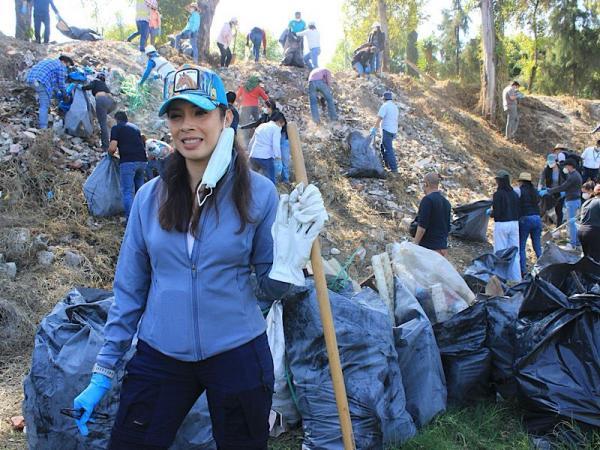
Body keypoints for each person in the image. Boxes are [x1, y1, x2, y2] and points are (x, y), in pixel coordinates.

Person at [71, 66, 327, 449]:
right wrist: (102, 372)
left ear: (225, 117)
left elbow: (270, 288)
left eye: (200, 113)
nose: (187, 126)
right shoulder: (148, 198)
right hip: (161, 352)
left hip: (237, 350)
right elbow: (129, 291)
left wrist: (289, 262)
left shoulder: (259, 194)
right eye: (177, 115)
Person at [108, 111, 148, 219]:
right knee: (140, 191)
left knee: (127, 192)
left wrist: (108, 156)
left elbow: (112, 148)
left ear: (116, 119)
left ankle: (131, 220)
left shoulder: (116, 128)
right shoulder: (135, 128)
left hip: (128, 162)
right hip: (142, 161)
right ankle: (143, 217)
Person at [542, 158, 583, 251]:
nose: (565, 168)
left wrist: (549, 190)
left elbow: (563, 187)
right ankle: (576, 242)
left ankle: (573, 244)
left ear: (570, 166)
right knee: (574, 223)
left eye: (566, 166)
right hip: (575, 200)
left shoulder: (573, 176)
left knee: (571, 223)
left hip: (572, 201)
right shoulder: (575, 175)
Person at [490, 170, 521, 282]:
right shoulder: (514, 194)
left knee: (500, 252)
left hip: (502, 224)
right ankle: (516, 279)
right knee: (514, 252)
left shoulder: (498, 194)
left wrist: (491, 213)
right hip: (514, 224)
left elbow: (497, 212)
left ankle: (499, 279)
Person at [26, 54, 74, 129]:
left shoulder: (49, 61)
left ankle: (42, 117)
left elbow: (54, 83)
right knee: (44, 106)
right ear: (65, 62)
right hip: (41, 81)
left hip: (30, 80)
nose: (67, 67)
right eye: (67, 65)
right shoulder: (61, 66)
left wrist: (56, 91)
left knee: (45, 96)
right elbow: (61, 84)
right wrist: (65, 95)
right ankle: (43, 128)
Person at [414, 173, 451, 257]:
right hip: (442, 250)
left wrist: (415, 244)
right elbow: (448, 228)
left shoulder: (427, 200)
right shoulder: (446, 202)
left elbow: (422, 227)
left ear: (426, 184)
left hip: (429, 250)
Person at [248, 111, 286, 184]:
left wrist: (249, 153)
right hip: (265, 158)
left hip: (253, 155)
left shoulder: (261, 126)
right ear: (279, 122)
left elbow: (252, 142)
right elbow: (276, 145)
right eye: (282, 125)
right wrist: (278, 158)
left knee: (251, 180)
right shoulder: (276, 128)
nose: (281, 128)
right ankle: (271, 194)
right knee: (270, 181)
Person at [516, 172, 542, 275]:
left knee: (521, 246)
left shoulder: (520, 191)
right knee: (537, 245)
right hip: (537, 218)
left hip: (525, 219)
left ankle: (523, 271)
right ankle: (543, 267)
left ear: (521, 181)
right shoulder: (535, 191)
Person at [83, 73, 116, 152]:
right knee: (104, 122)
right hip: (111, 102)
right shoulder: (104, 86)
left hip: (101, 100)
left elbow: (89, 87)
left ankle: (105, 147)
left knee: (103, 124)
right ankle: (110, 143)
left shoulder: (95, 81)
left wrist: (81, 87)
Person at [371, 91, 399, 173]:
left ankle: (394, 169)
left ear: (384, 98)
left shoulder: (385, 106)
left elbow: (379, 118)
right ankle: (387, 165)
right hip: (393, 131)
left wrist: (374, 128)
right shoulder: (395, 106)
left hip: (386, 130)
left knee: (388, 149)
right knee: (382, 147)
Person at [236, 75, 270, 144]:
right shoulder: (258, 88)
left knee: (244, 123)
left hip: (244, 107)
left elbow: (236, 96)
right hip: (255, 107)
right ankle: (259, 138)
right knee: (258, 122)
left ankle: (244, 141)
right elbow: (266, 98)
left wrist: (240, 102)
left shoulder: (243, 87)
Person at [538, 153, 566, 226]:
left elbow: (567, 180)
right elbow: (541, 179)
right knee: (545, 208)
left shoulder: (562, 170)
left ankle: (558, 226)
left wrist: (565, 190)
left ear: (556, 162)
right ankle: (546, 223)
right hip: (549, 191)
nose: (550, 164)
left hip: (560, 192)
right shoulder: (547, 169)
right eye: (549, 162)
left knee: (558, 210)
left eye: (552, 162)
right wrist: (539, 188)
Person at [578, 181, 600, 261]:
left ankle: (585, 272)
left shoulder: (587, 202)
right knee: (596, 258)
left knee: (586, 257)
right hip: (594, 232)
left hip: (582, 231)